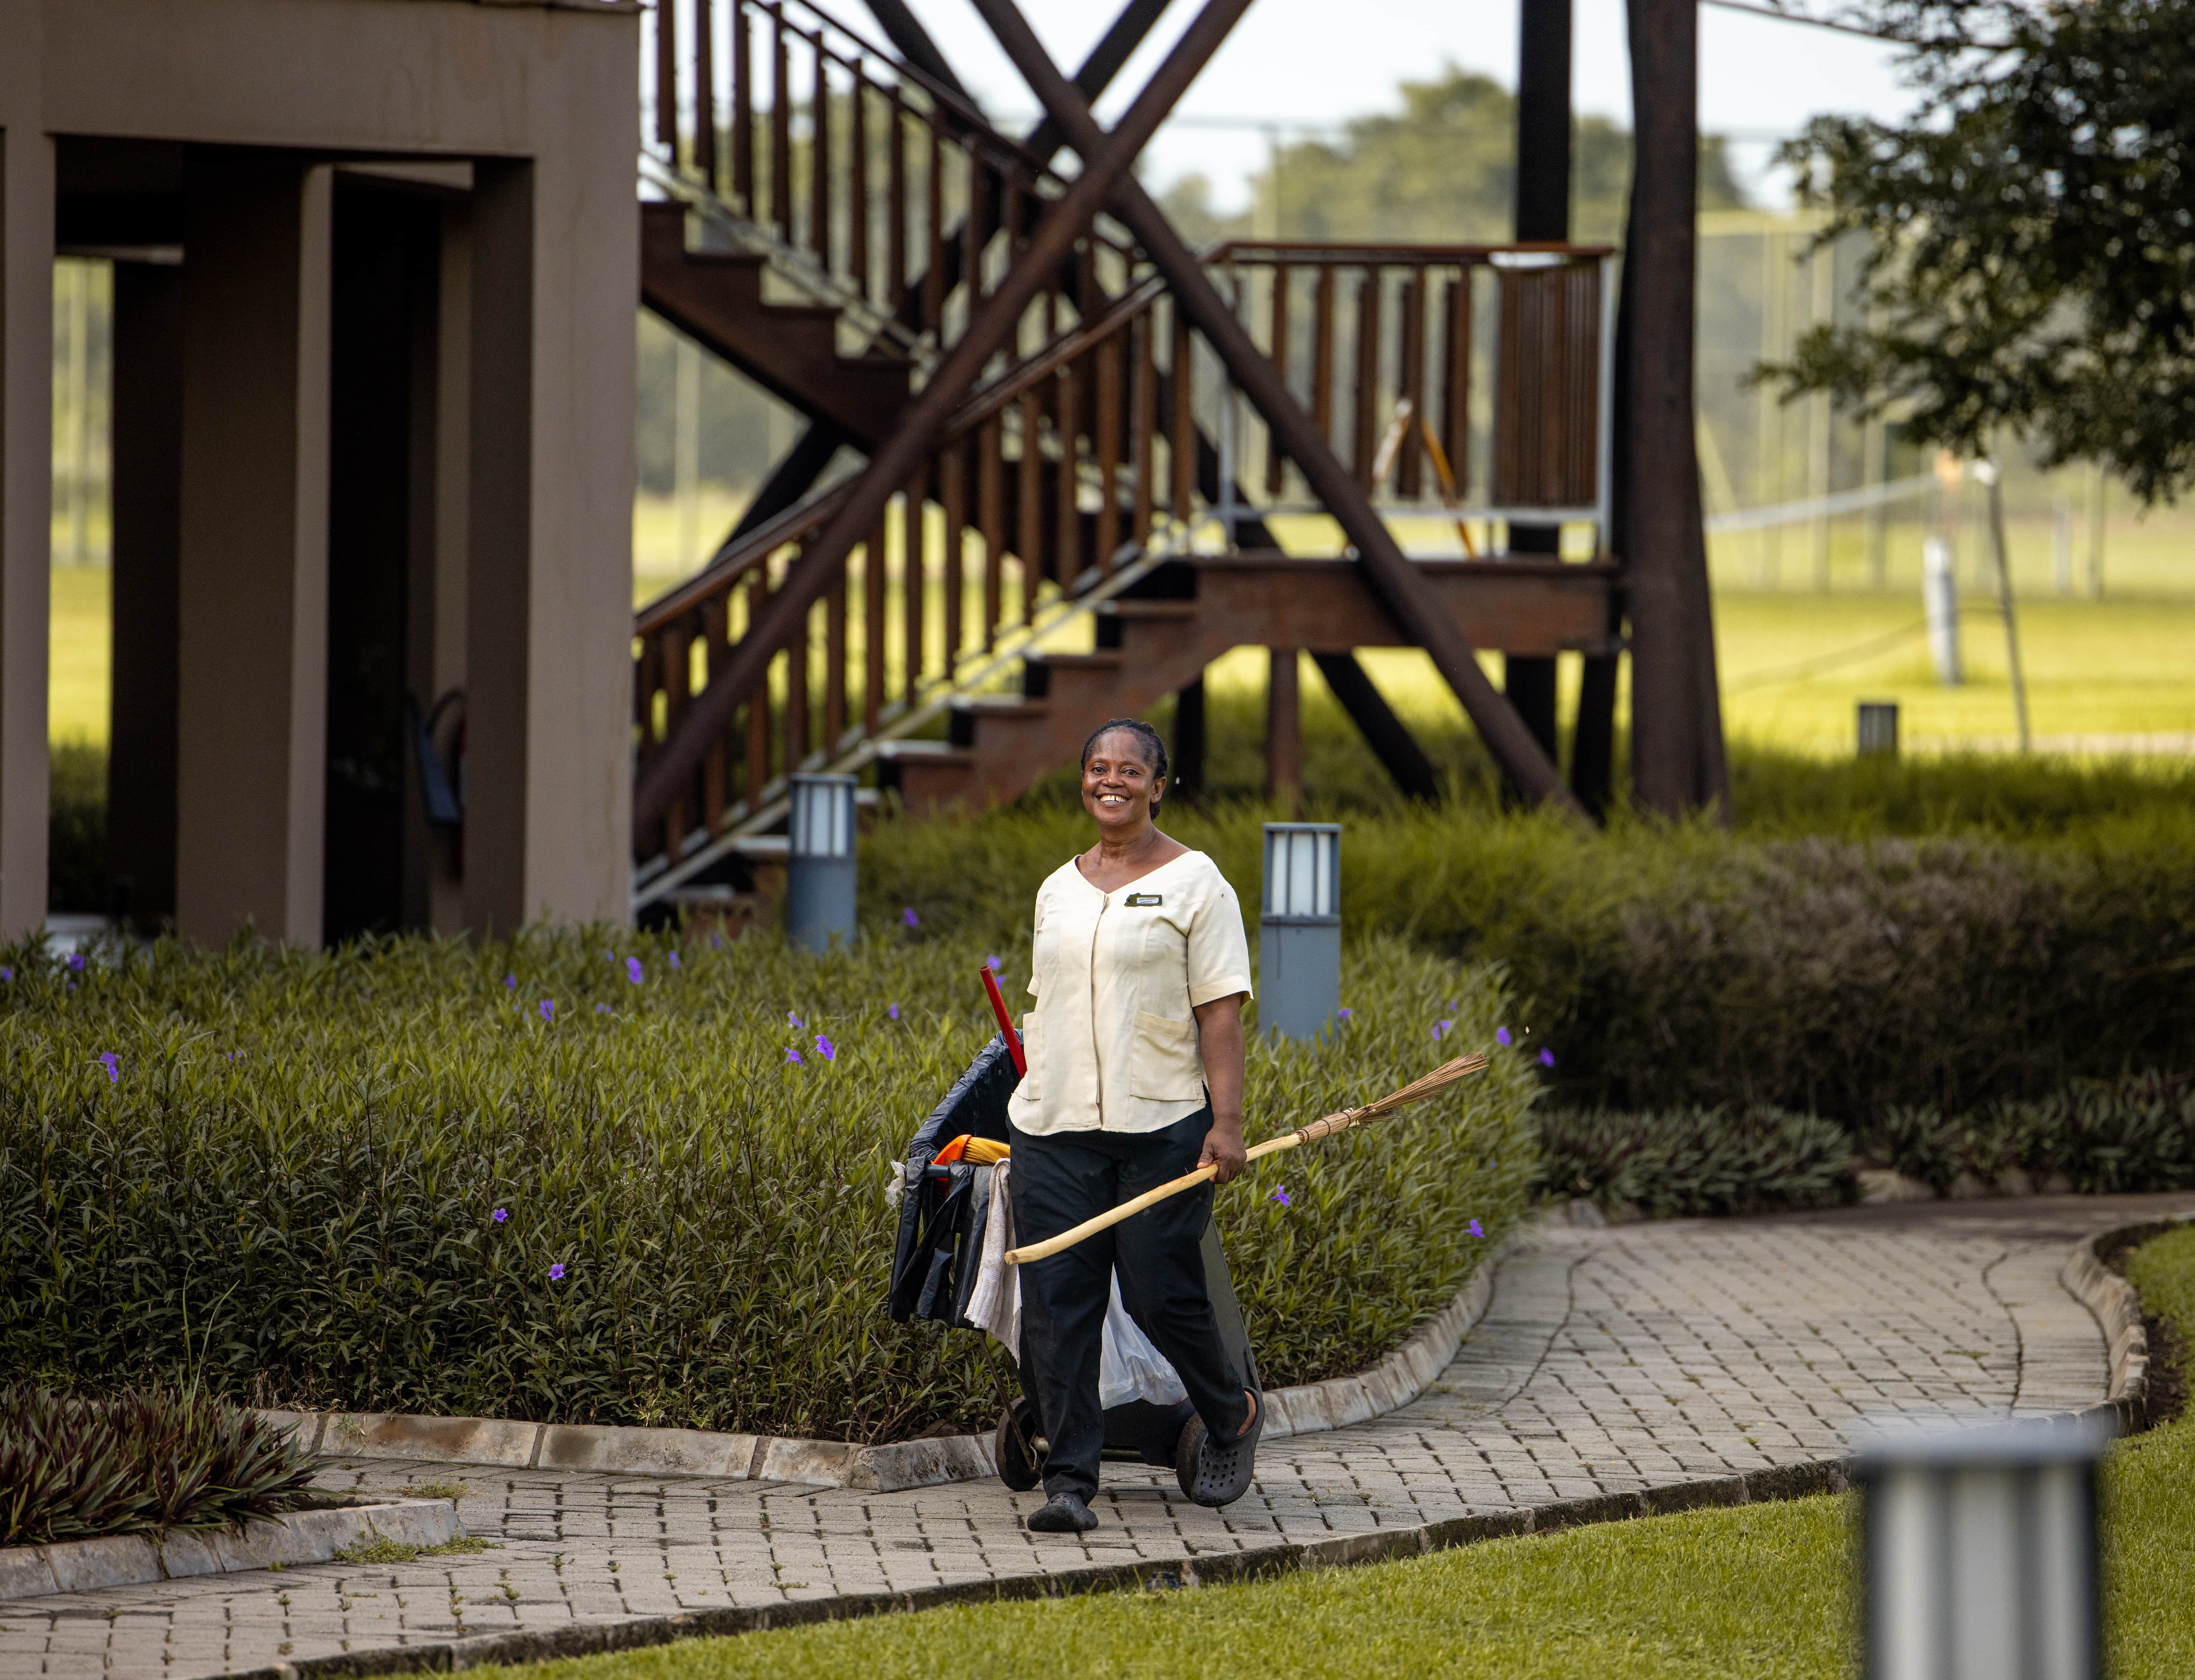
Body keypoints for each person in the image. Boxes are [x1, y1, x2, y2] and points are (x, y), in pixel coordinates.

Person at [1008, 717, 1263, 1535]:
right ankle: (1070, 1481)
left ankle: (1230, 1410)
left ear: (1160, 786)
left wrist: (1227, 1124)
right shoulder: (1058, 888)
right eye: (1096, 768)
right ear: (1083, 781)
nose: (1109, 781)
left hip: (1163, 1126)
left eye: (1129, 770)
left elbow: (1220, 1015)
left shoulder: (1198, 884)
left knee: (1159, 1289)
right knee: (1060, 1300)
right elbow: (1049, 1004)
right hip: (1055, 1127)